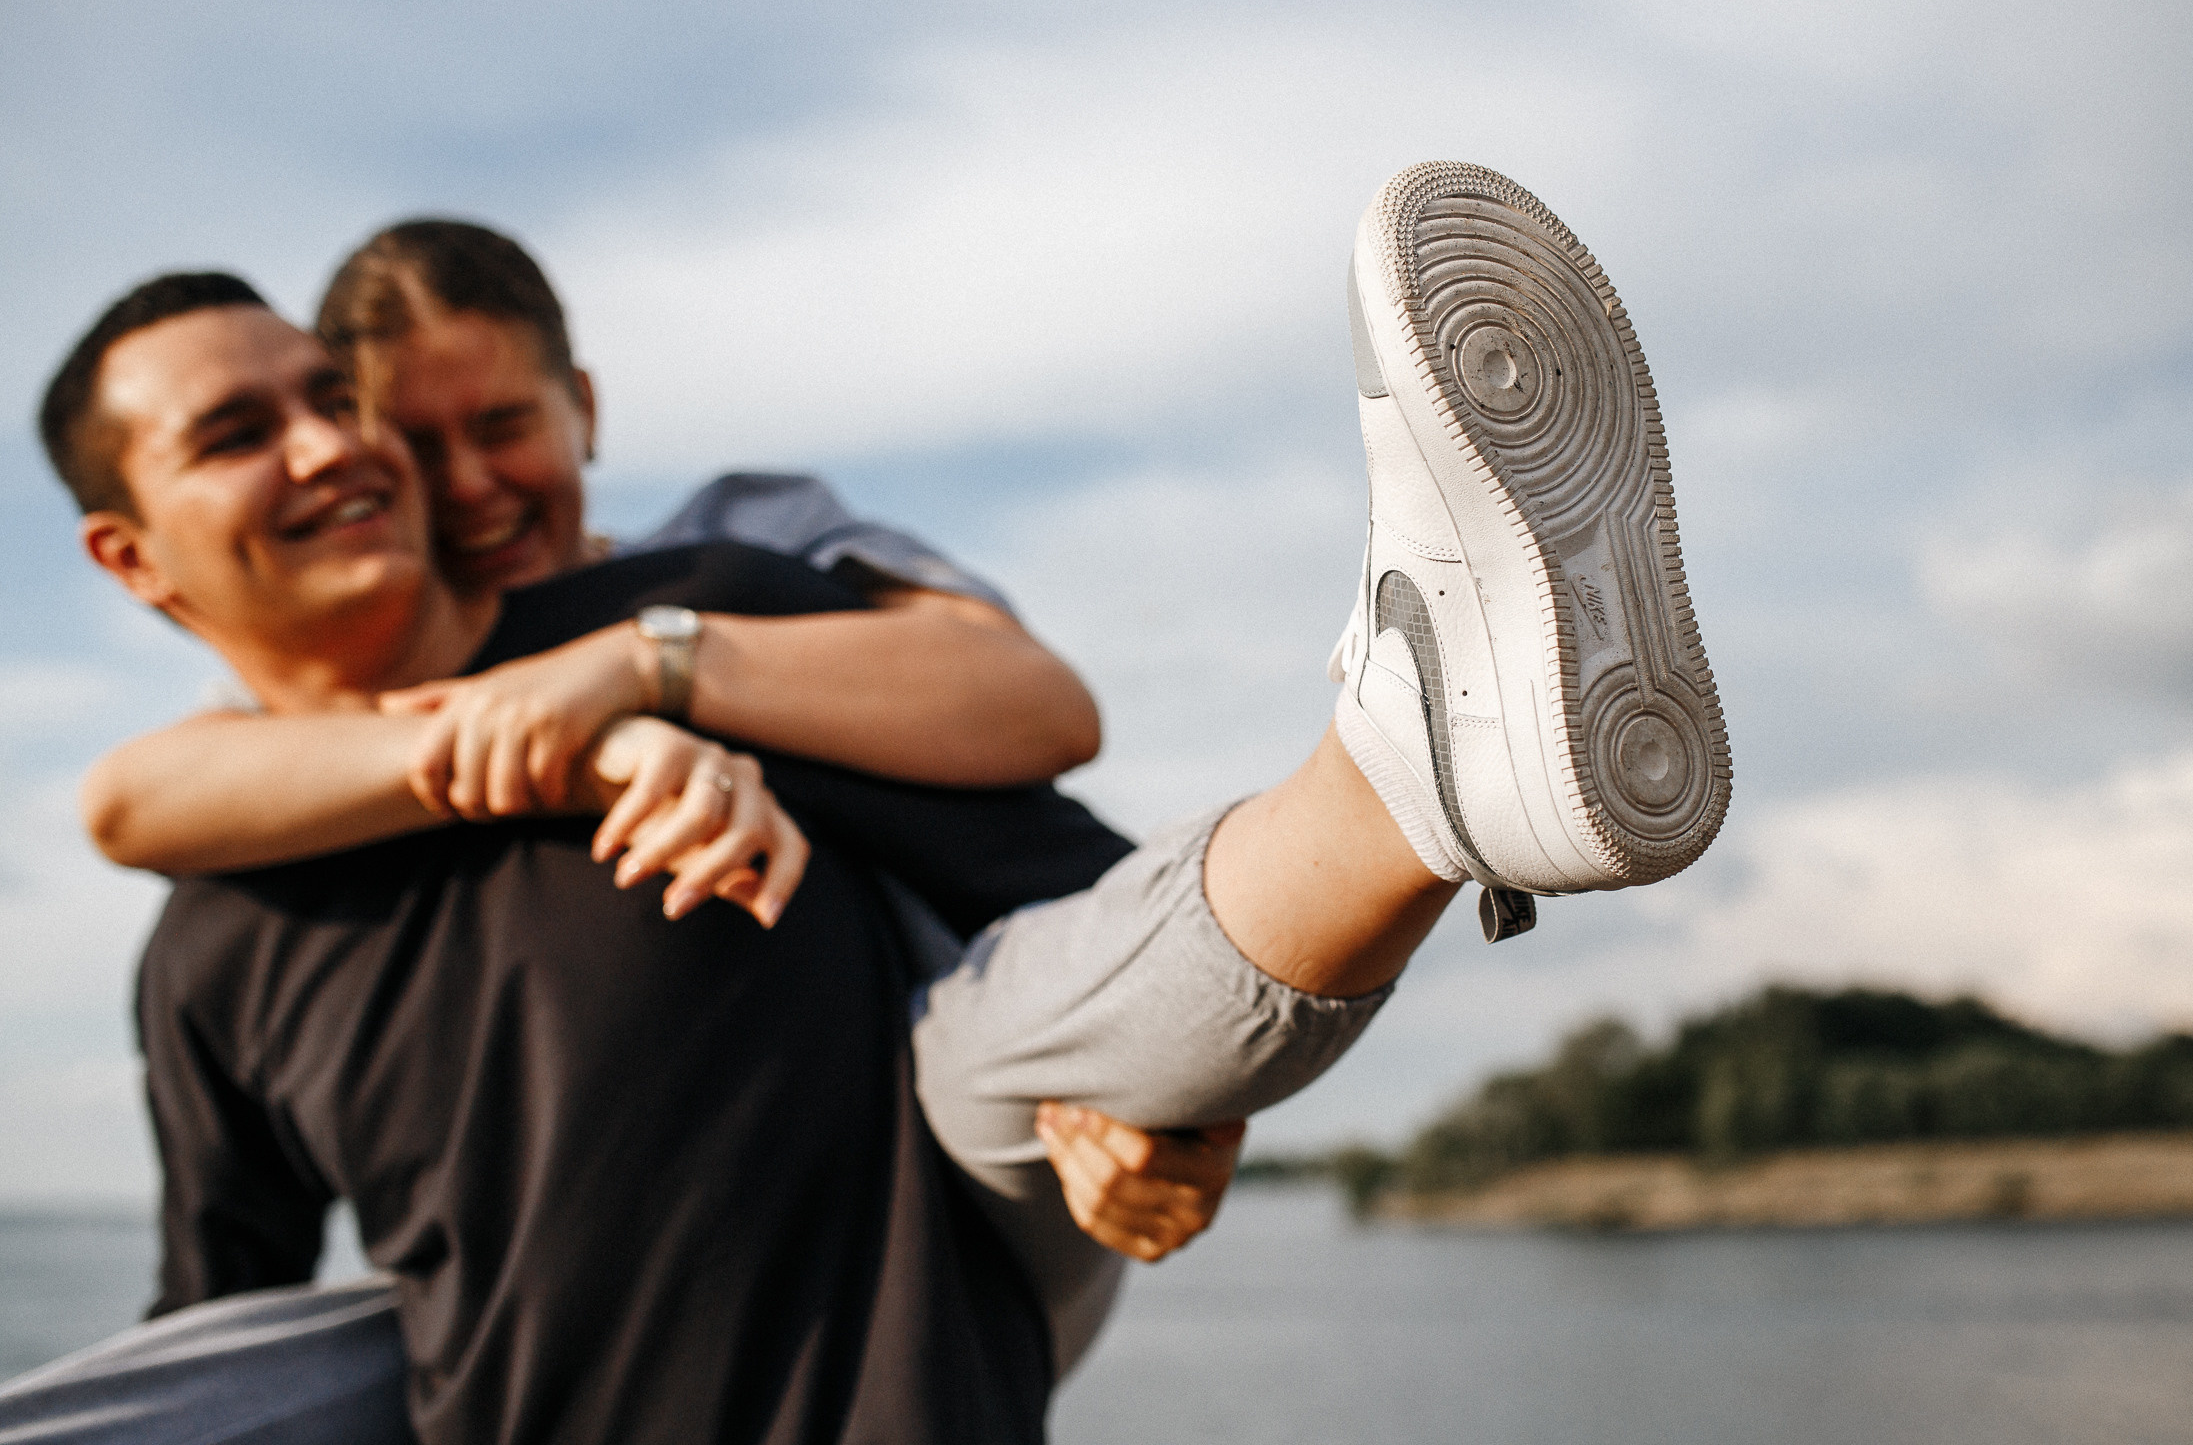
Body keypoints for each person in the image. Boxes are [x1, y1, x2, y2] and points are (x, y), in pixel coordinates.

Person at [6, 162, 1730, 1442]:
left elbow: (1064, 885)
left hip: (912, 1384)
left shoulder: (704, 597)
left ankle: (1425, 754)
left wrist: (1144, 1095)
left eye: (329, 398)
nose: (336, 448)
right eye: (243, 431)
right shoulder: (210, 932)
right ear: (129, 558)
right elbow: (223, 1336)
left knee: (1006, 1030)